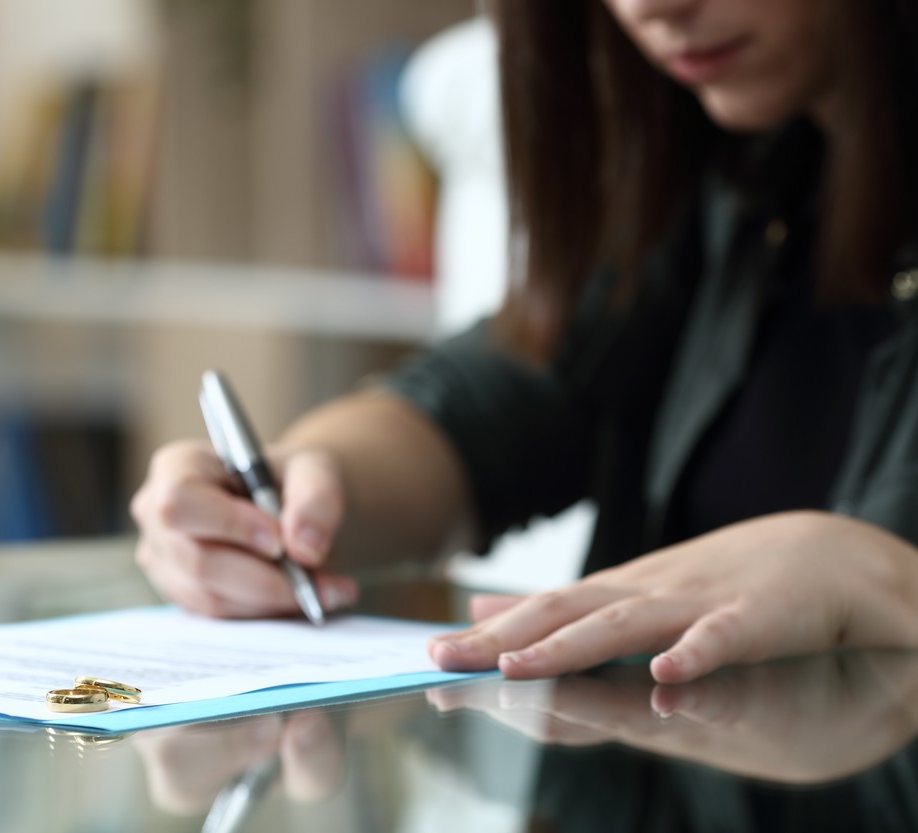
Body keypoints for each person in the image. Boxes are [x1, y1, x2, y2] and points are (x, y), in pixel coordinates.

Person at [131, 0, 918, 684]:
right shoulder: (730, 173)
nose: (652, 6)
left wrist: (883, 579)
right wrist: (299, 492)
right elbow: (495, 401)